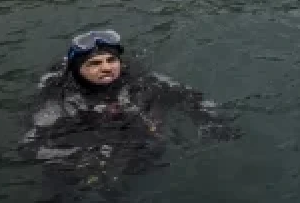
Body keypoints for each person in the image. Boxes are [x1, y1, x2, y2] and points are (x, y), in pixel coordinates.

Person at [22, 30, 235, 193]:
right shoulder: (58, 97)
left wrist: (211, 120)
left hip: (124, 126)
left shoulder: (136, 77)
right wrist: (81, 158)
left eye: (111, 60)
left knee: (148, 145)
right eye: (94, 63)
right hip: (81, 130)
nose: (106, 68)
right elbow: (32, 144)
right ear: (78, 70)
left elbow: (189, 95)